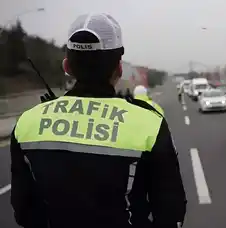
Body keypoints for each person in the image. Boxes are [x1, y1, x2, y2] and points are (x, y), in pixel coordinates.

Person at [10, 13, 186, 228]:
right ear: (119, 68)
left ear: (67, 67)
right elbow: (171, 212)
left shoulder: (28, 122)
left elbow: (24, 212)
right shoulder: (149, 123)